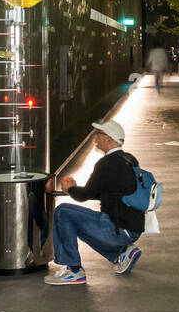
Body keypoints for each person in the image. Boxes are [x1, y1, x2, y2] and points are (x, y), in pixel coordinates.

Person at [44, 119, 144, 285]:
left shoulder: (106, 164)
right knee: (78, 226)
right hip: (132, 228)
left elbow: (84, 195)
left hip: (118, 227)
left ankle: (74, 270)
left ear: (109, 139)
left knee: (62, 212)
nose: (96, 137)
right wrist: (74, 190)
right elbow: (109, 194)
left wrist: (70, 189)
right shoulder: (129, 159)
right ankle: (120, 253)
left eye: (100, 134)